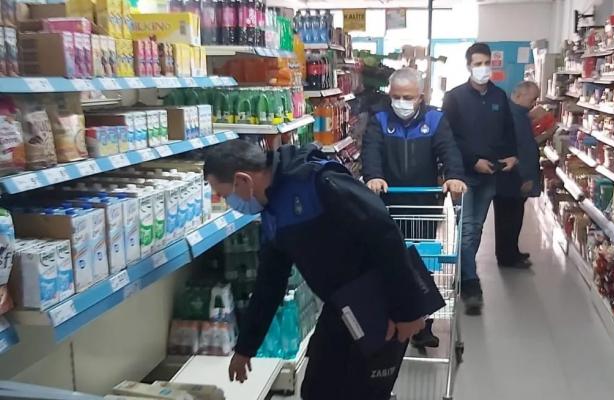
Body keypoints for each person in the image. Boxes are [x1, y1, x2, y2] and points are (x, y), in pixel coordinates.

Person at [204, 140, 433, 400]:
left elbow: (385, 234)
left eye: (224, 195)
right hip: (340, 308)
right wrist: (246, 347)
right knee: (316, 390)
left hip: (383, 304)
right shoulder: (272, 213)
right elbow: (270, 283)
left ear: (242, 180)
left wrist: (407, 309)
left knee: (363, 393)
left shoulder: (319, 182)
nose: (227, 202)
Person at [361, 67, 467, 348]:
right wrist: (373, 176)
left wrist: (454, 176)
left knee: (423, 264)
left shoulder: (435, 119)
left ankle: (423, 325)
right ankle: (392, 319)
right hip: (388, 204)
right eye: (396, 96)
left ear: (421, 96)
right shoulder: (380, 119)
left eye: (407, 97)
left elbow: (448, 150)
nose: (401, 102)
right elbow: (371, 150)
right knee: (388, 264)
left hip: (423, 205)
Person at [442, 42, 518, 315]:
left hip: (491, 174)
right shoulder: (454, 98)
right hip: (463, 175)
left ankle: (463, 273)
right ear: (468, 66)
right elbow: (449, 137)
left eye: (487, 63)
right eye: (478, 64)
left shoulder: (499, 96)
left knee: (476, 228)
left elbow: (508, 131)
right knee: (467, 228)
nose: (483, 68)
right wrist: (473, 160)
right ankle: (471, 284)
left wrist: (512, 155)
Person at [494, 81, 557, 268]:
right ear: (520, 95)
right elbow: (520, 150)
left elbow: (528, 143)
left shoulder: (520, 114)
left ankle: (512, 252)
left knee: (513, 217)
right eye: (532, 98)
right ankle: (507, 257)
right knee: (508, 219)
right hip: (513, 177)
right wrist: (525, 178)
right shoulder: (513, 116)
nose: (534, 103)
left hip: (514, 176)